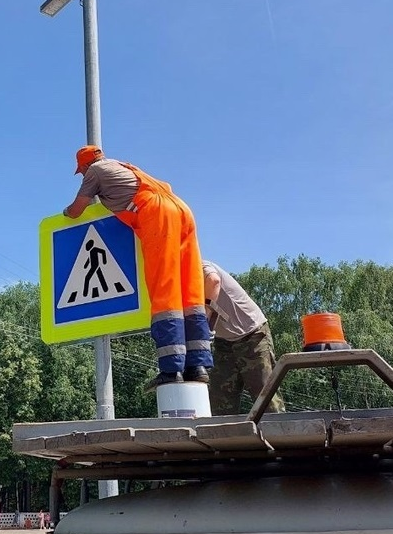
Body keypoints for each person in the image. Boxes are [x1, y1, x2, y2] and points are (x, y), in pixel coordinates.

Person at [66, 145, 213, 390]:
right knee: (190, 291)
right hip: (183, 211)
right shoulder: (124, 167)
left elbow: (77, 208)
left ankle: (171, 369)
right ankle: (197, 366)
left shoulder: (95, 172)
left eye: (80, 172)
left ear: (83, 166)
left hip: (156, 214)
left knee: (164, 290)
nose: (82, 176)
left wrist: (66, 214)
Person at [202, 259, 288, 415]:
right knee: (220, 404)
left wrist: (204, 319)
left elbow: (214, 281)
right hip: (224, 343)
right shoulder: (177, 283)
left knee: (266, 397)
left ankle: (278, 437)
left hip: (252, 335)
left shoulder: (198, 264)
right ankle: (226, 439)